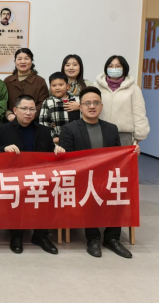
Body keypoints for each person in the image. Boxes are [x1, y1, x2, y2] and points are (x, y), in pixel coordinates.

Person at [59, 86, 140, 258]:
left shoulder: (111, 128)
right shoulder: (69, 129)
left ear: (101, 106)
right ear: (80, 107)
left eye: (96, 103)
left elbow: (118, 157)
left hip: (107, 177)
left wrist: (131, 154)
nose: (92, 106)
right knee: (90, 191)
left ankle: (112, 238)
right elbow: (67, 161)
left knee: (119, 191)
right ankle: (93, 238)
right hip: (81, 178)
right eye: (87, 103)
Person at [0, 95, 65, 255]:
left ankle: (41, 236)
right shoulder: (3, 129)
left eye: (32, 109)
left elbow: (51, 154)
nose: (28, 113)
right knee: (17, 194)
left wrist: (57, 150)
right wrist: (4, 149)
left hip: (39, 177)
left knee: (50, 192)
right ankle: (16, 236)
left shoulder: (44, 131)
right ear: (15, 110)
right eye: (24, 109)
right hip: (12, 178)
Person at [93, 55, 150, 146]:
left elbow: (139, 112)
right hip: (98, 132)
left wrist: (140, 134)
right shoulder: (95, 86)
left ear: (124, 68)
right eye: (110, 66)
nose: (114, 69)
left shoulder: (134, 89)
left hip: (123, 135)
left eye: (118, 66)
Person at [4, 48, 49, 122]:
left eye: (26, 58)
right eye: (19, 59)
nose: (23, 62)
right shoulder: (7, 81)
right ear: (15, 61)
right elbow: (2, 102)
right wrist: (8, 114)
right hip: (11, 122)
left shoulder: (40, 81)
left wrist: (29, 114)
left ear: (31, 61)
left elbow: (43, 103)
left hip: (33, 122)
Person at [39, 72, 80, 144]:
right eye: (54, 85)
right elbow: (44, 123)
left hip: (77, 139)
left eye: (61, 85)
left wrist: (80, 106)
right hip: (58, 140)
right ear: (50, 88)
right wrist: (53, 136)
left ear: (67, 86)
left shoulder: (77, 100)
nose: (57, 88)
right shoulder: (48, 102)